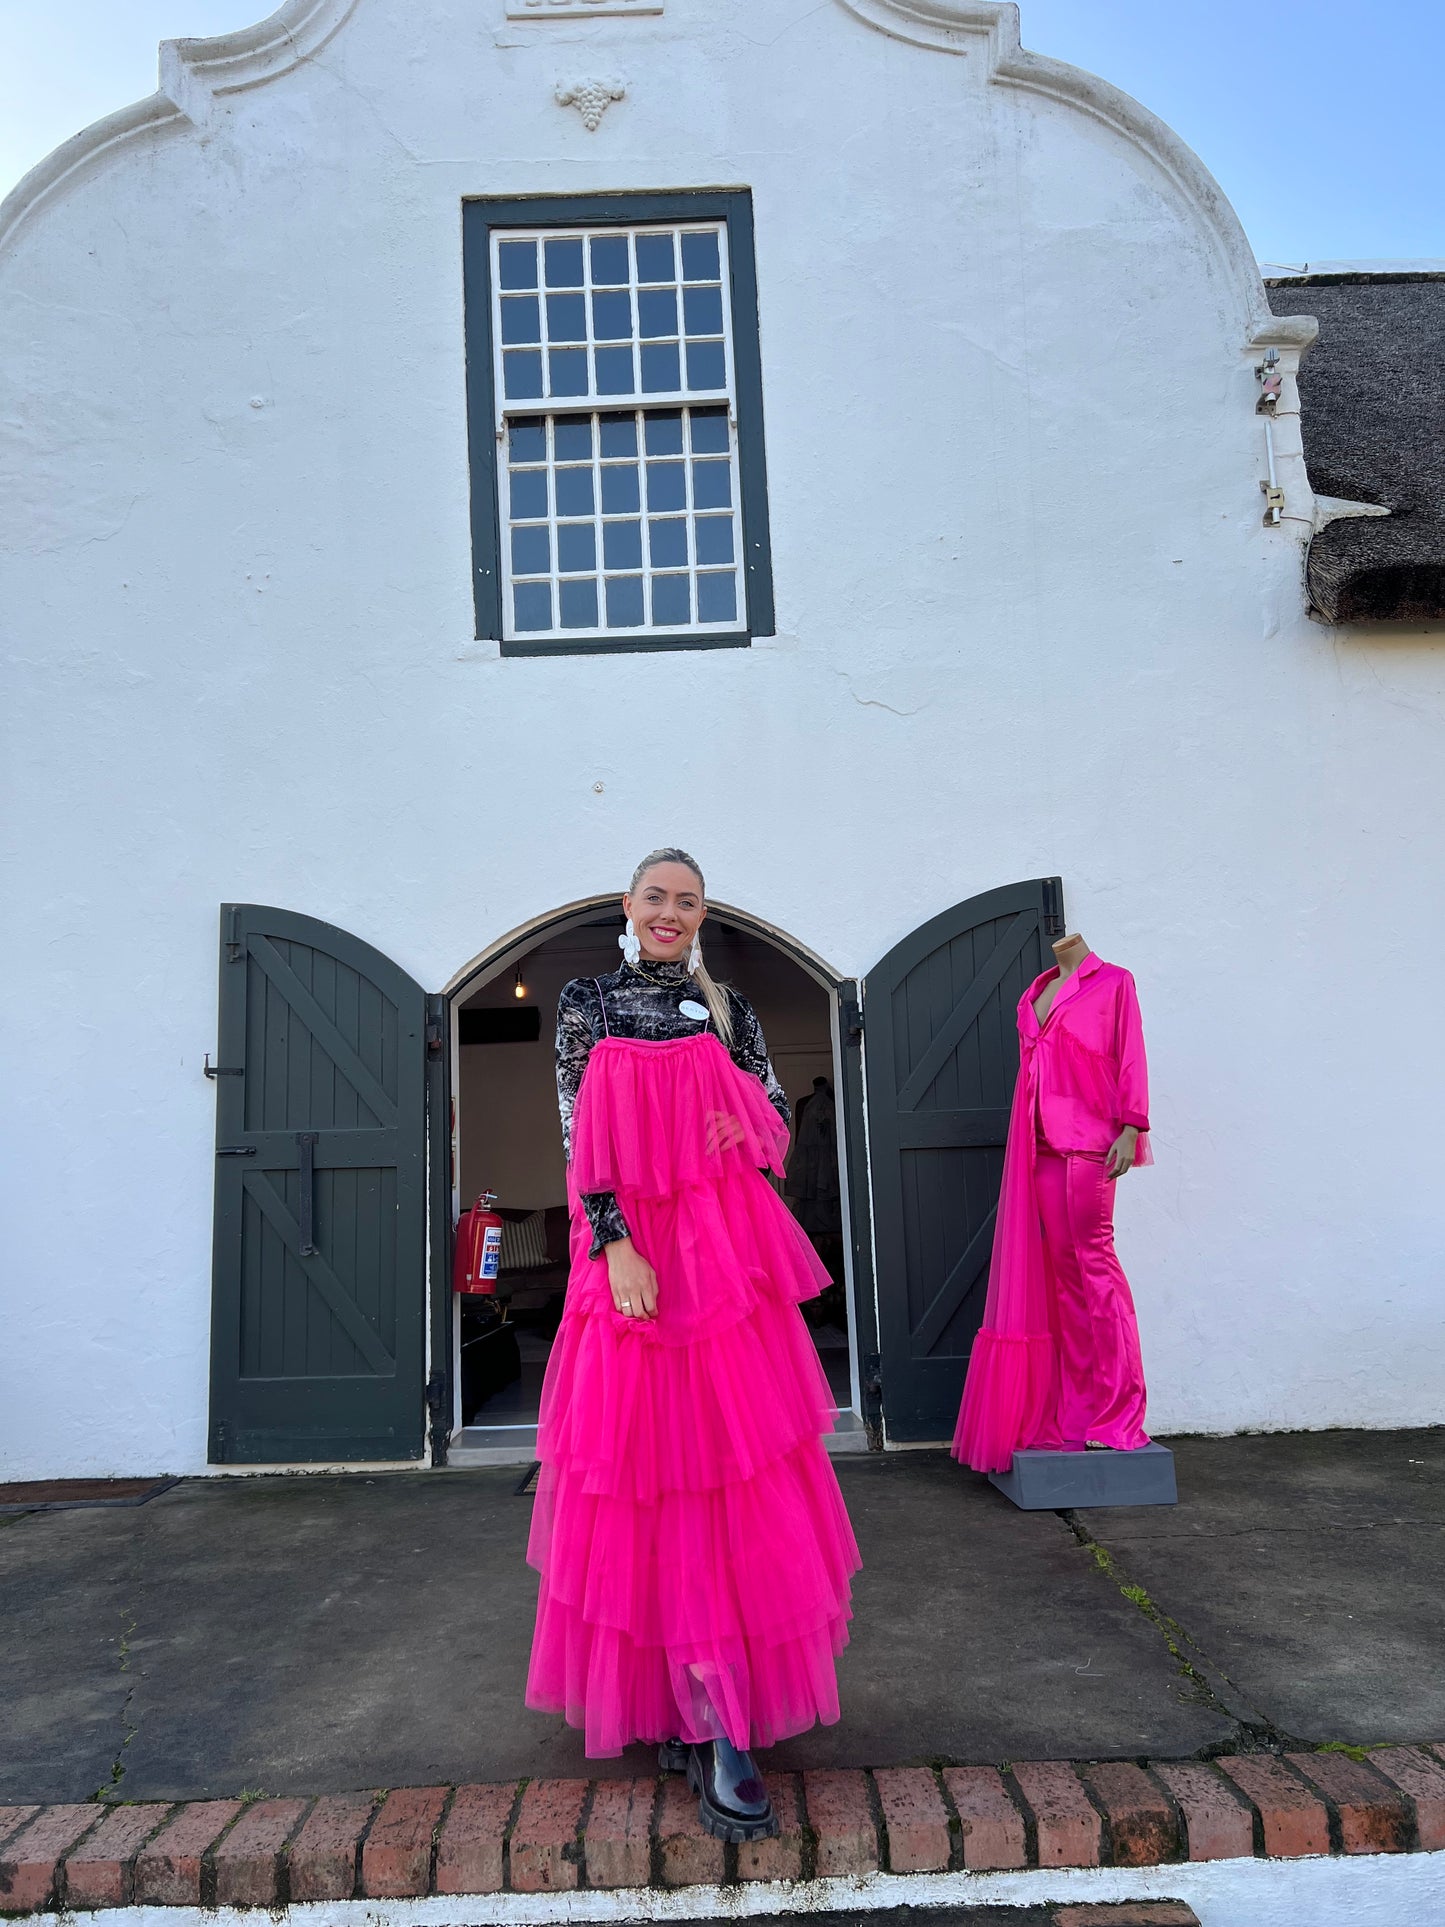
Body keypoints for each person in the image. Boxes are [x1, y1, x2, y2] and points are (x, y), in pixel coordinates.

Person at [526, 848, 860, 1842]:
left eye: (687, 901)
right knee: (643, 1480)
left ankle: (716, 1716)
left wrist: (734, 1121)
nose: (669, 912)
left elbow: (765, 1118)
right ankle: (680, 1698)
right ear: (628, 907)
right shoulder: (586, 1000)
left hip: (723, 1269)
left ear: (700, 915)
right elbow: (573, 1129)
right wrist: (613, 1241)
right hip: (629, 1264)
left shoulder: (728, 1008)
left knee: (730, 1476)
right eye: (655, 897)